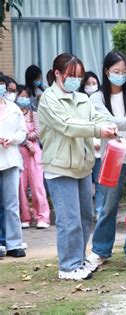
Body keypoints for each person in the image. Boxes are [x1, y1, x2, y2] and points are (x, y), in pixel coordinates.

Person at [38, 53, 117, 280]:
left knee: (85, 217)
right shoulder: (48, 99)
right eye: (71, 75)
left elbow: (97, 118)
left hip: (82, 166)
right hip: (60, 168)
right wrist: (96, 130)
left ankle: (79, 260)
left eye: (79, 76)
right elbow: (67, 125)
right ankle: (68, 267)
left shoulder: (82, 98)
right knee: (68, 220)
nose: (75, 80)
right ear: (57, 74)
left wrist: (107, 125)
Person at [87, 51, 126, 269]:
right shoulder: (96, 98)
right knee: (107, 206)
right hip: (110, 158)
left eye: (124, 72)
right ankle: (100, 250)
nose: (121, 76)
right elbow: (105, 121)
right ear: (106, 72)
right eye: (116, 72)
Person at [16, 85, 50, 229]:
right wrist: (24, 141)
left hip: (34, 154)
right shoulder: (14, 114)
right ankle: (25, 217)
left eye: (26, 96)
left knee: (37, 186)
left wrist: (26, 139)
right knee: (21, 188)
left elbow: (38, 132)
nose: (23, 99)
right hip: (18, 153)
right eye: (21, 96)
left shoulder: (33, 115)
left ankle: (42, 217)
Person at [0, 74, 27, 258]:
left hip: (9, 159)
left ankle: (14, 243)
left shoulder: (13, 108)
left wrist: (13, 139)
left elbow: (22, 132)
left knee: (11, 204)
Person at [79, 72, 104, 219]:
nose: (91, 86)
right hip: (84, 150)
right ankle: (86, 211)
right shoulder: (80, 101)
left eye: (94, 83)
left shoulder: (101, 100)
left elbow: (103, 121)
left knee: (100, 182)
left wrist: (99, 142)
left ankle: (99, 211)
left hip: (100, 149)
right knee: (86, 184)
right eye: (88, 84)